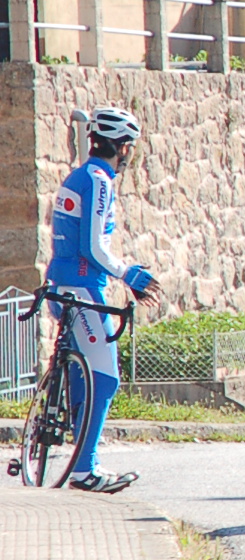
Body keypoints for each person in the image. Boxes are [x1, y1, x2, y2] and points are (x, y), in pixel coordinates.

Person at [44, 107, 163, 492]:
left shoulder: (77, 175)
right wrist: (128, 274)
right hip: (82, 289)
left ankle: (78, 457)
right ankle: (84, 470)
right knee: (107, 378)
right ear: (123, 147)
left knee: (83, 372)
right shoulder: (99, 181)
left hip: (59, 284)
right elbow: (93, 247)